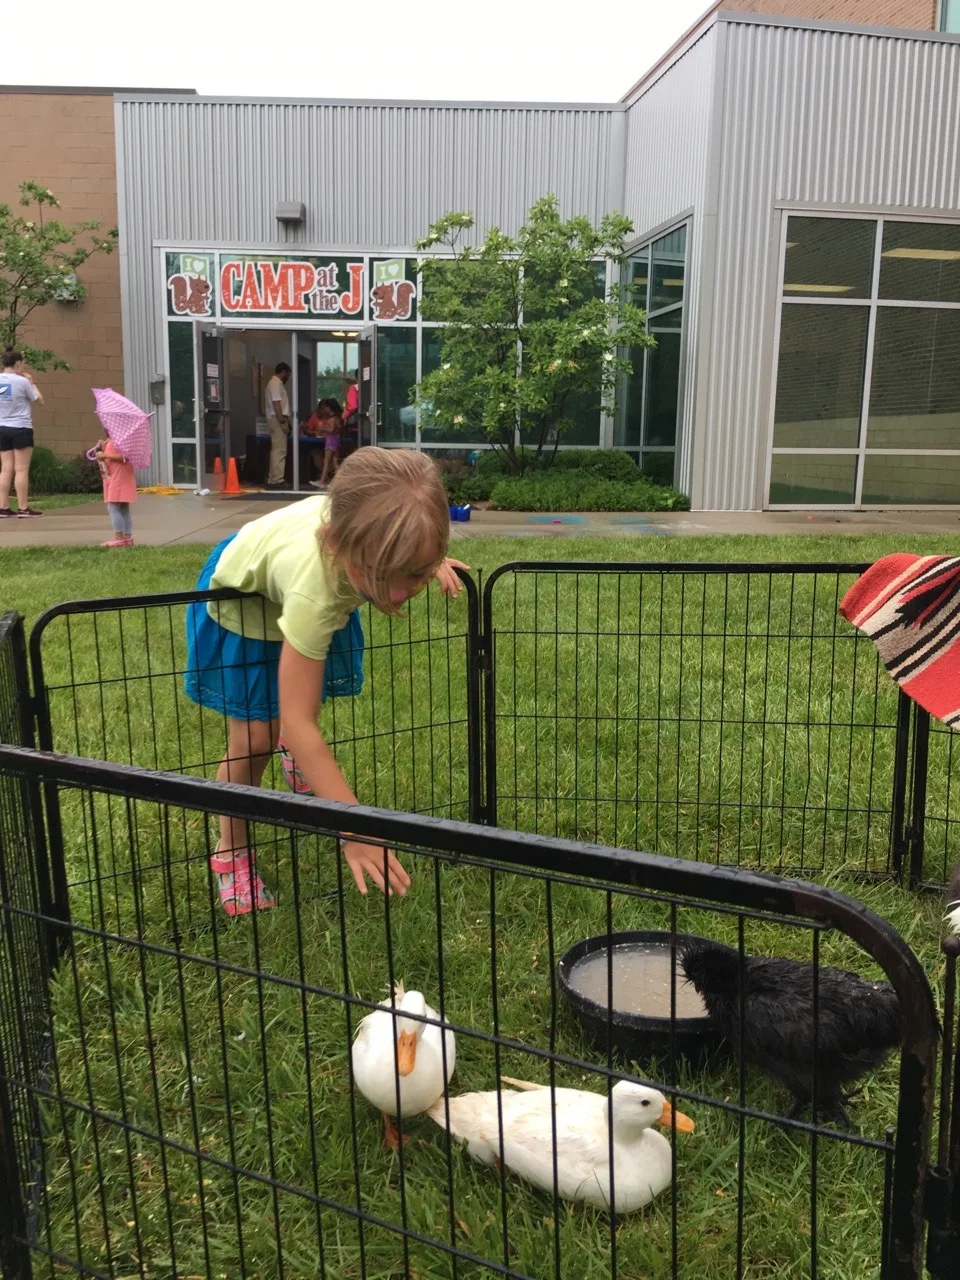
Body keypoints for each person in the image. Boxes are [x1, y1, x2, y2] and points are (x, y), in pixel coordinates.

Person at [184, 447, 468, 915]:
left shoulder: (372, 523)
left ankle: (297, 758)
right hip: (244, 600)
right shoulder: (313, 593)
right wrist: (355, 830)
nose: (402, 593)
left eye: (416, 571)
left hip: (299, 583)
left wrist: (424, 559)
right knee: (255, 738)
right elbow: (299, 720)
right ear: (339, 542)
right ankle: (230, 853)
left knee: (296, 703)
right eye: (387, 575)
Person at [0, 349, 44, 519]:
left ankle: (3, 507)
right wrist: (32, 383)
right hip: (20, 428)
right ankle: (23, 508)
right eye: (23, 363)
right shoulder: (22, 382)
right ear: (17, 363)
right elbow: (39, 400)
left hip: (2, 427)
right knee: (21, 469)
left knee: (5, 469)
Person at [94, 436, 137, 547]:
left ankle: (119, 538)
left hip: (119, 476)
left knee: (113, 506)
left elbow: (124, 457)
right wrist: (103, 447)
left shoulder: (120, 440)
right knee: (123, 508)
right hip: (116, 475)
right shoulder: (114, 440)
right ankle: (127, 538)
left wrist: (105, 455)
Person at [264, 361, 291, 489]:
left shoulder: (274, 383)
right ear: (284, 372)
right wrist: (282, 421)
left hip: (275, 418)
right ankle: (277, 479)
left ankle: (273, 478)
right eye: (288, 374)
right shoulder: (275, 383)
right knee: (280, 449)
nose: (288, 378)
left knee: (276, 448)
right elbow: (277, 403)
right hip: (277, 418)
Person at [314, 397, 342, 490]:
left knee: (326, 461)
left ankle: (322, 481)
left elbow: (331, 430)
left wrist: (323, 429)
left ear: (330, 408)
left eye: (326, 408)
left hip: (330, 442)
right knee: (335, 461)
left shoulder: (332, 419)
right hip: (336, 441)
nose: (324, 410)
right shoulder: (337, 417)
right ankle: (339, 481)